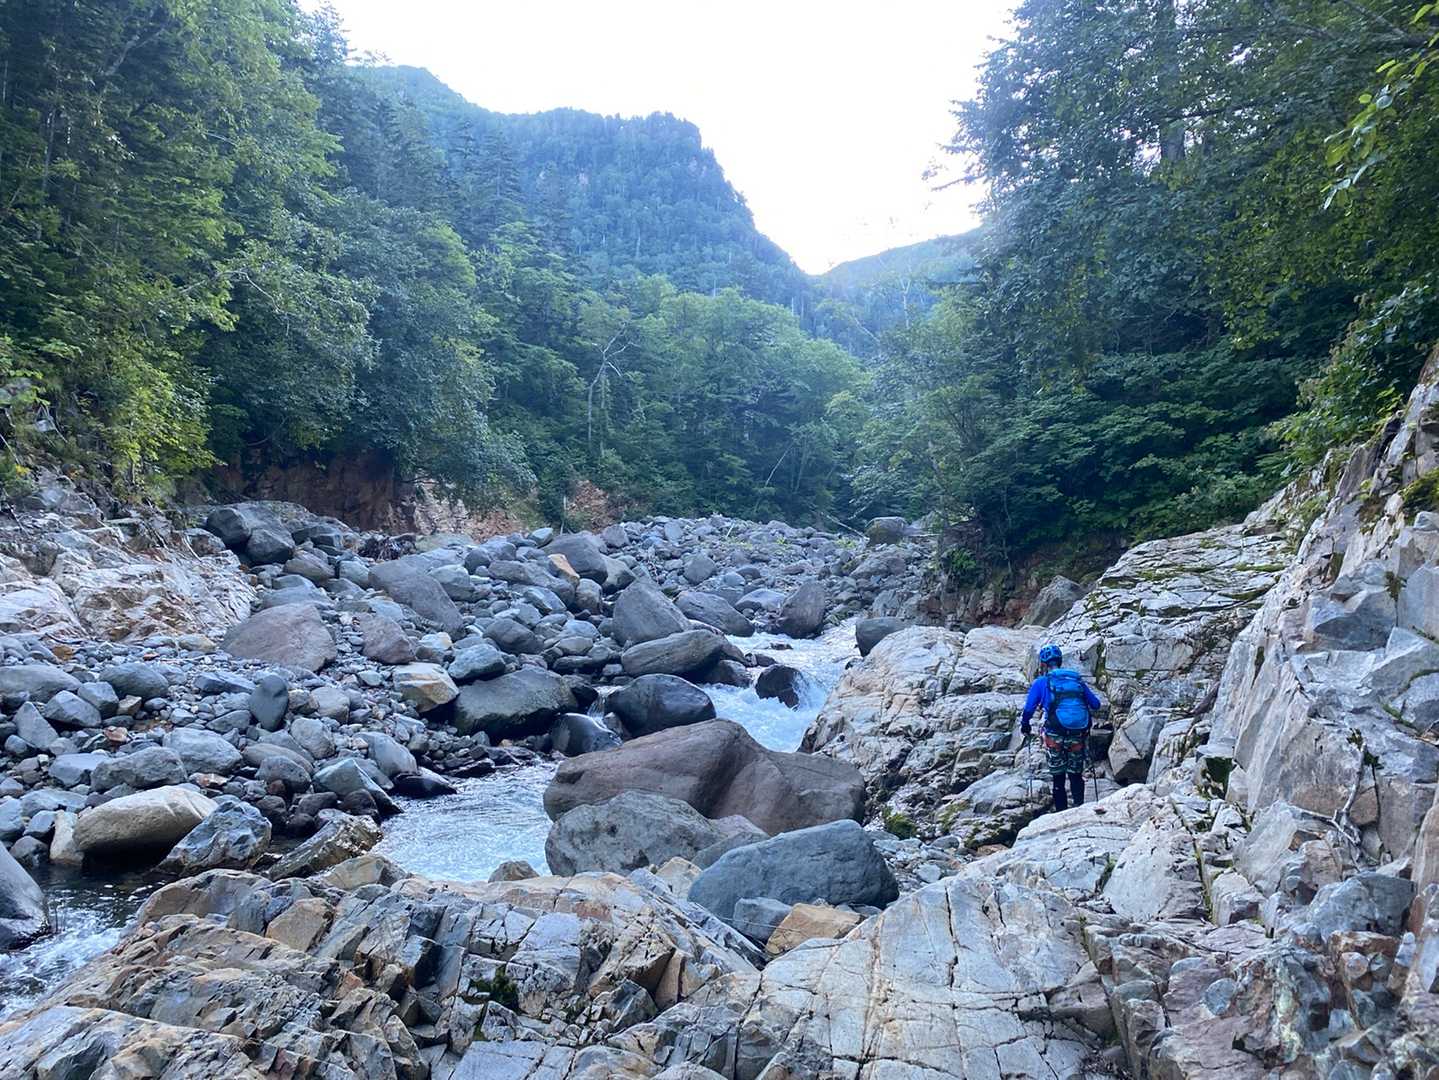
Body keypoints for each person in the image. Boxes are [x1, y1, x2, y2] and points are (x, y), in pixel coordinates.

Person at [1020, 643, 1102, 812]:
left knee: (1058, 777)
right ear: (1060, 661)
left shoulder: (1041, 682)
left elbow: (1028, 709)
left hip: (1054, 735)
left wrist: (1025, 725)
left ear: (1043, 664)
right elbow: (1096, 704)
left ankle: (1061, 813)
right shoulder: (1076, 680)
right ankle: (1079, 809)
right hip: (1077, 735)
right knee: (1075, 775)